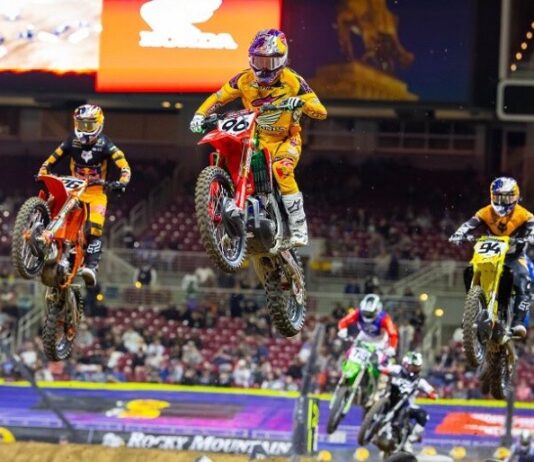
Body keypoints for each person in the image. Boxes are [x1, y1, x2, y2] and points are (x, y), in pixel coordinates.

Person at [189, 28, 327, 246]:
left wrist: (301, 103)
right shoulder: (243, 79)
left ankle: (299, 228)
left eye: (270, 63)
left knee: (282, 169)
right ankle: (233, 218)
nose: (263, 68)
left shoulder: (294, 81)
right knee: (231, 158)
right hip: (255, 137)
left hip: (285, 140)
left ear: (282, 61)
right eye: (258, 61)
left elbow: (321, 111)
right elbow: (218, 97)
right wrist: (199, 115)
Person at [38, 104, 131, 286]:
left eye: (89, 125)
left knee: (95, 229)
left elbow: (123, 165)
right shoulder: (71, 141)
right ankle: (43, 238)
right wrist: (43, 170)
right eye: (81, 124)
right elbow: (52, 158)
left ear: (99, 124)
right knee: (54, 207)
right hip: (74, 189)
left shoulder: (106, 144)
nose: (84, 130)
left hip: (96, 192)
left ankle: (91, 267)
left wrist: (122, 182)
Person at [449, 177, 534, 337]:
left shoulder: (524, 215)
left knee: (523, 280)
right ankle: (471, 309)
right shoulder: (485, 212)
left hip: (513, 256)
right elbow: (470, 224)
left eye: (506, 198)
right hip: (490, 254)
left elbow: (532, 226)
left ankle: (518, 322)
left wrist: (531, 236)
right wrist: (459, 233)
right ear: (491, 196)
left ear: (515, 197)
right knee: (470, 270)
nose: (501, 202)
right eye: (498, 197)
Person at [380, 352, 437, 454]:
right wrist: (383, 369)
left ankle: (409, 441)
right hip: (391, 398)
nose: (415, 369)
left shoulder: (419, 381)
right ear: (406, 364)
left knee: (424, 415)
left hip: (407, 405)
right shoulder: (397, 369)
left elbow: (430, 389)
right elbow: (383, 368)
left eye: (417, 367)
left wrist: (432, 394)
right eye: (413, 366)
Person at [337, 293, 398, 361]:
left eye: (370, 313)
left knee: (378, 361)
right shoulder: (358, 313)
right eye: (365, 312)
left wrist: (392, 347)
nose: (367, 315)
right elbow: (343, 321)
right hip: (364, 335)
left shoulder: (385, 318)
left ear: (377, 310)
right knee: (351, 354)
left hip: (379, 340)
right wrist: (343, 329)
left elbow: (393, 334)